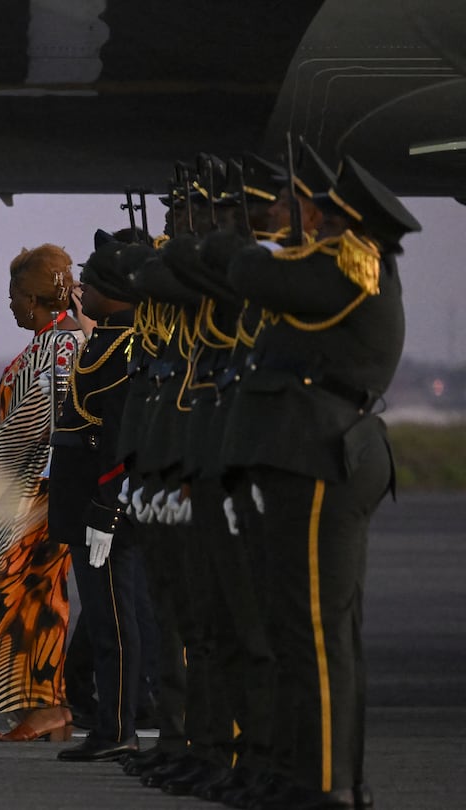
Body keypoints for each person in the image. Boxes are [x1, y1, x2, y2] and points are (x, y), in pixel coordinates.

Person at [220, 154, 418, 810]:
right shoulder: (335, 262)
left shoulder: (346, 264)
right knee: (301, 628)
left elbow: (249, 271)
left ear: (332, 218)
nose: (288, 215)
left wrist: (237, 235)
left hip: (322, 455)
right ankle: (310, 774)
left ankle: (329, 785)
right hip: (308, 453)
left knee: (316, 630)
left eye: (303, 208)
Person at [0, 244, 81, 740]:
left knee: (25, 593)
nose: (9, 305)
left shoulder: (63, 347)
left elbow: (58, 421)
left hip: (42, 496)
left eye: (14, 296)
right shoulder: (49, 341)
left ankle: (49, 703)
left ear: (32, 299)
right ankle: (43, 703)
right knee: (31, 595)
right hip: (26, 496)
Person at [50, 236, 142, 762]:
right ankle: (111, 725)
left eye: (94, 282)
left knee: (113, 622)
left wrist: (108, 507)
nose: (82, 289)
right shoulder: (107, 340)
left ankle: (118, 727)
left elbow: (117, 436)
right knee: (105, 620)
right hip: (84, 503)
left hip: (101, 508)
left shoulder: (124, 348)